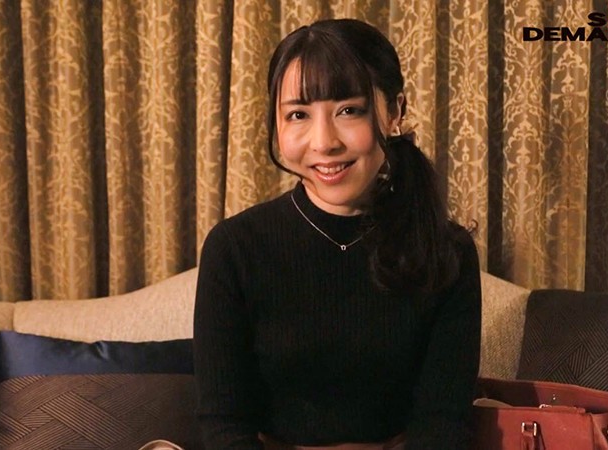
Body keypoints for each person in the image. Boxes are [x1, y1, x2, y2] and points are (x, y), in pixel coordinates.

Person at [193, 18, 481, 450]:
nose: (324, 142)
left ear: (395, 111)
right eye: (298, 115)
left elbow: (443, 424)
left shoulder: (447, 250)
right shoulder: (234, 248)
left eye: (349, 110)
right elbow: (223, 426)